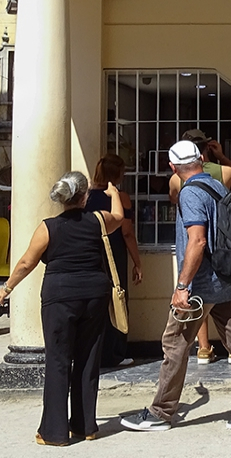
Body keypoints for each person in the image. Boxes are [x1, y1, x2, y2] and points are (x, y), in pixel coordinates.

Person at [121, 141, 231, 432]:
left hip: (201, 287)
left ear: (172, 167)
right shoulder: (218, 186)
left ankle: (160, 412)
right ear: (202, 159)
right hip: (225, 279)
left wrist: (182, 285)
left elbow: (198, 240)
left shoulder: (190, 192)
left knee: (174, 344)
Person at [0, 172, 121, 446]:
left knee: (58, 360)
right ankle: (85, 426)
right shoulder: (99, 219)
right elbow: (119, 217)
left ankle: (54, 432)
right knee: (88, 359)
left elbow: (27, 263)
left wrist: (7, 288)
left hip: (59, 296)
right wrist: (113, 194)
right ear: (85, 196)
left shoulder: (48, 227)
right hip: (94, 294)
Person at [167, 129, 231, 365]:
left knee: (197, 304)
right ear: (206, 148)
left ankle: (204, 348)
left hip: (197, 252)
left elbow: (173, 199)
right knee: (230, 299)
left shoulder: (177, 179)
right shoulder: (223, 174)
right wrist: (224, 156)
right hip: (225, 251)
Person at [87, 154, 143, 367]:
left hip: (92, 252)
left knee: (95, 302)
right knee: (117, 300)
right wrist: (137, 262)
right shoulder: (120, 197)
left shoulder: (86, 196)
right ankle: (115, 353)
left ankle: (94, 352)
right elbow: (127, 233)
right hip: (114, 252)